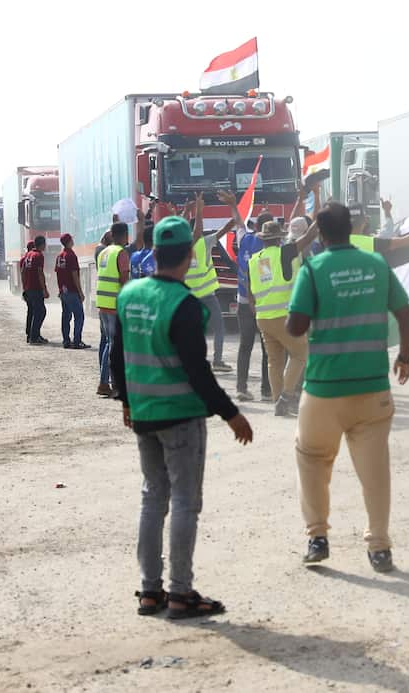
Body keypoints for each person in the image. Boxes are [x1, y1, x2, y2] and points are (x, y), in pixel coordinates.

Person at [110, 216, 253, 619]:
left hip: (143, 415)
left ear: (152, 253)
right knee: (185, 502)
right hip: (180, 417)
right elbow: (197, 370)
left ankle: (150, 591)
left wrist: (126, 401)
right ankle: (180, 593)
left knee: (152, 498)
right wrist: (232, 414)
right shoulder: (185, 305)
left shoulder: (130, 295)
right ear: (190, 257)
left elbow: (118, 357)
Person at [287, 202, 409, 573]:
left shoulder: (313, 269)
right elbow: (404, 314)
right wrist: (404, 356)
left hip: (324, 391)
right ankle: (379, 547)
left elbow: (295, 328)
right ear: (353, 227)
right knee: (375, 472)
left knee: (311, 459)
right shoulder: (376, 265)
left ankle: (317, 538)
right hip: (372, 388)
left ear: (321, 233)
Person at [250, 216, 320, 417]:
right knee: (300, 354)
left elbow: (250, 290)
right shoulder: (285, 252)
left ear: (263, 239)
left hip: (263, 317)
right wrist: (319, 216)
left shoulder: (255, 260)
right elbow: (309, 236)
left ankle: (276, 400)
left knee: (275, 361)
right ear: (279, 238)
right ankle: (286, 396)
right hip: (284, 315)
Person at [186, 192, 237, 372]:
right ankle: (214, 361)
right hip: (204, 296)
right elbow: (221, 228)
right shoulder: (202, 242)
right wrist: (199, 211)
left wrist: (236, 214)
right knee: (216, 328)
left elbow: (226, 228)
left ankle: (209, 361)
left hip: (193, 297)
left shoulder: (179, 247)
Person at [235, 210, 274, 402]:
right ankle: (266, 390)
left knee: (245, 345)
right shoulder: (273, 250)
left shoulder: (245, 240)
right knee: (268, 348)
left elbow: (239, 225)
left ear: (257, 228)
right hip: (264, 306)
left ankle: (241, 388)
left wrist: (234, 205)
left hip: (244, 303)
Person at [95, 223, 131, 396]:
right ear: (124, 235)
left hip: (103, 304)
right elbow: (124, 280)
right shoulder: (121, 253)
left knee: (109, 343)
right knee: (114, 345)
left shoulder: (104, 252)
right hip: (114, 305)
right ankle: (105, 383)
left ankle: (109, 382)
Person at [55, 233, 89, 349]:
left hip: (63, 291)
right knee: (79, 316)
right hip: (72, 291)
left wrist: (60, 289)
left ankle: (66, 340)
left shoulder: (59, 256)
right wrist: (80, 292)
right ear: (69, 241)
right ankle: (77, 341)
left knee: (66, 316)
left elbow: (58, 274)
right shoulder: (71, 255)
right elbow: (74, 274)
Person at [21, 236, 49, 344]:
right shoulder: (38, 256)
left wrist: (24, 286)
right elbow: (40, 273)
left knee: (32, 311)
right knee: (41, 312)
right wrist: (44, 289)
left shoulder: (28, 255)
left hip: (28, 288)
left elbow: (23, 271)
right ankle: (34, 336)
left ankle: (32, 335)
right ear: (41, 244)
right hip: (36, 288)